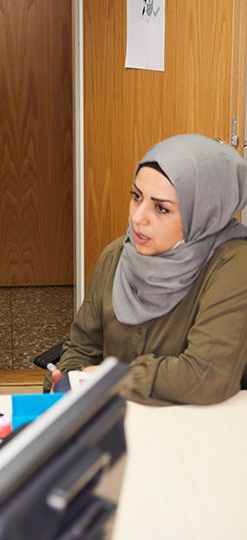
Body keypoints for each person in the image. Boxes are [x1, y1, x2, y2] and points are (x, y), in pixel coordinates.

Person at [47, 134, 247, 405]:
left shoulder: (235, 264)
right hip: (118, 419)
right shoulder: (117, 255)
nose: (138, 218)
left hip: (197, 428)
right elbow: (83, 348)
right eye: (137, 197)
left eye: (161, 209)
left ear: (203, 213)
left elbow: (205, 376)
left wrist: (111, 379)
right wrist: (67, 379)